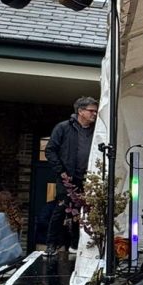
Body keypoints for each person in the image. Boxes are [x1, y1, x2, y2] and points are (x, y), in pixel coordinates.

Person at [45, 96, 99, 256]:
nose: (94, 114)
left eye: (96, 111)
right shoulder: (63, 128)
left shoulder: (97, 130)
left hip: (89, 178)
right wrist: (60, 170)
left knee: (85, 212)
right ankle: (51, 244)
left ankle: (76, 244)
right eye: (91, 111)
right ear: (80, 111)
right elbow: (50, 150)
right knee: (61, 209)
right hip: (67, 177)